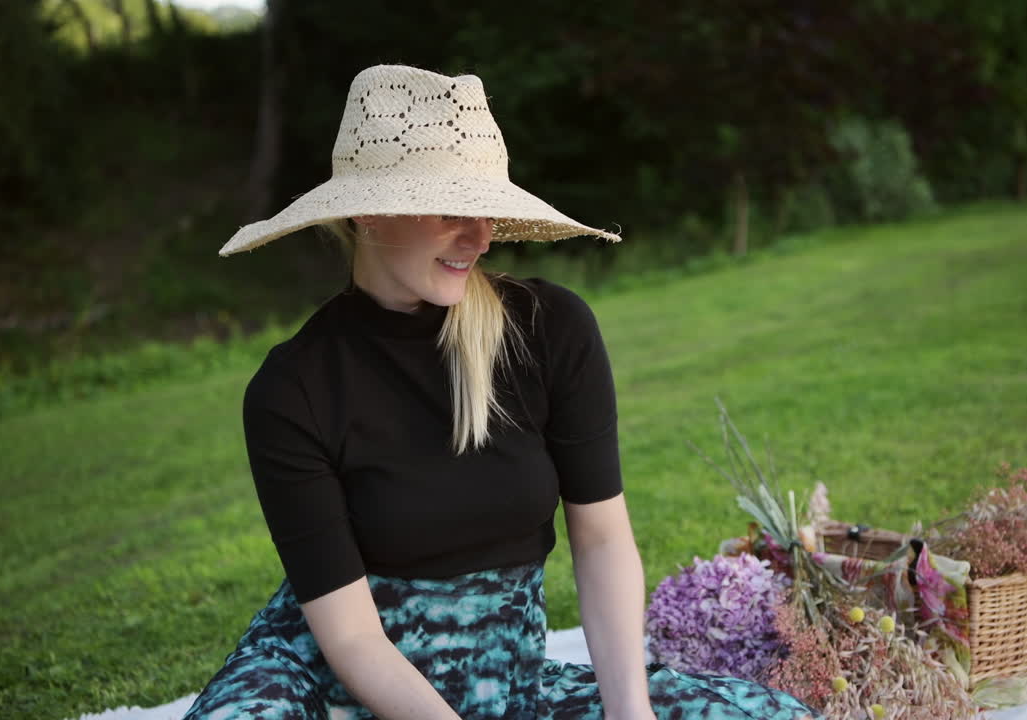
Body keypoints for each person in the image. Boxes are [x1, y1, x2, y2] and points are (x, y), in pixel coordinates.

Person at [185, 65, 819, 720]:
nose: (482, 236)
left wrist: (631, 713)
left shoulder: (551, 331)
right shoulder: (295, 389)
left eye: (486, 209)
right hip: (338, 683)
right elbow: (350, 635)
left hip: (507, 682)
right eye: (453, 210)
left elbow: (602, 540)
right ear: (370, 211)